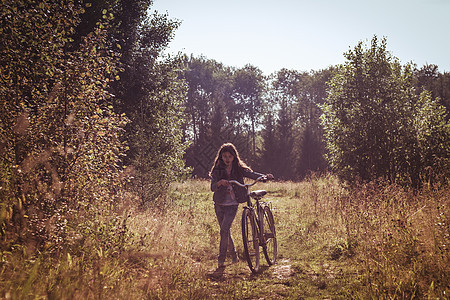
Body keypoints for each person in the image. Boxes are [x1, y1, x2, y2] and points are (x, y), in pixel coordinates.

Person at [209, 143, 273, 268]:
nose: (227, 159)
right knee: (225, 232)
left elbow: (251, 174)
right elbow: (212, 187)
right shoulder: (217, 170)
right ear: (221, 157)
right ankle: (234, 256)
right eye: (224, 156)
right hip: (219, 204)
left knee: (224, 230)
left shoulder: (238, 169)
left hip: (232, 204)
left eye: (229, 156)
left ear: (234, 157)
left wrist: (263, 177)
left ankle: (221, 260)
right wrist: (220, 183)